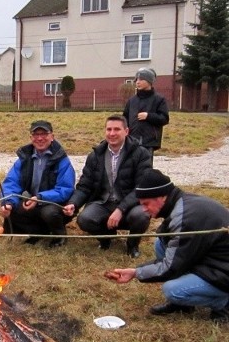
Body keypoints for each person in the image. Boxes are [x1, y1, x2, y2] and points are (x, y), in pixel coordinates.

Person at [111, 169, 229, 323]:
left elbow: (170, 266)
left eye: (146, 204)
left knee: (172, 290)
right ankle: (183, 305)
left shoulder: (185, 217)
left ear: (161, 196)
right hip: (210, 258)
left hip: (223, 270)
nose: (144, 209)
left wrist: (135, 273)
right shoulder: (180, 202)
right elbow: (176, 253)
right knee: (161, 243)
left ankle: (224, 302)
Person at [63, 115, 152, 258]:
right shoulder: (95, 155)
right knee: (84, 219)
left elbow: (141, 187)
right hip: (103, 202)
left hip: (130, 204)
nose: (112, 133)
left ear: (126, 131)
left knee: (142, 215)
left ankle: (132, 244)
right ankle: (107, 238)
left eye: (117, 129)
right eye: (109, 129)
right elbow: (84, 186)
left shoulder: (141, 154)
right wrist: (73, 203)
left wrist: (121, 209)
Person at [0, 120, 75, 248]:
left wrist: (40, 197)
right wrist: (8, 203)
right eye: (35, 134)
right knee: (13, 207)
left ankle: (59, 235)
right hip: (32, 200)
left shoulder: (62, 159)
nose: (40, 138)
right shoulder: (24, 158)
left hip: (55, 203)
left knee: (49, 213)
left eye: (44, 134)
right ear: (31, 138)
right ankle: (38, 232)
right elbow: (11, 182)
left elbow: (65, 189)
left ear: (52, 137)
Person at [123, 67, 169, 162]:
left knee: (145, 169)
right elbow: (125, 118)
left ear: (149, 81)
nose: (137, 82)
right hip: (132, 140)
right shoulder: (132, 100)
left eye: (141, 79)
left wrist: (148, 116)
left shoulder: (159, 99)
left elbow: (164, 118)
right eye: (136, 80)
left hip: (149, 141)